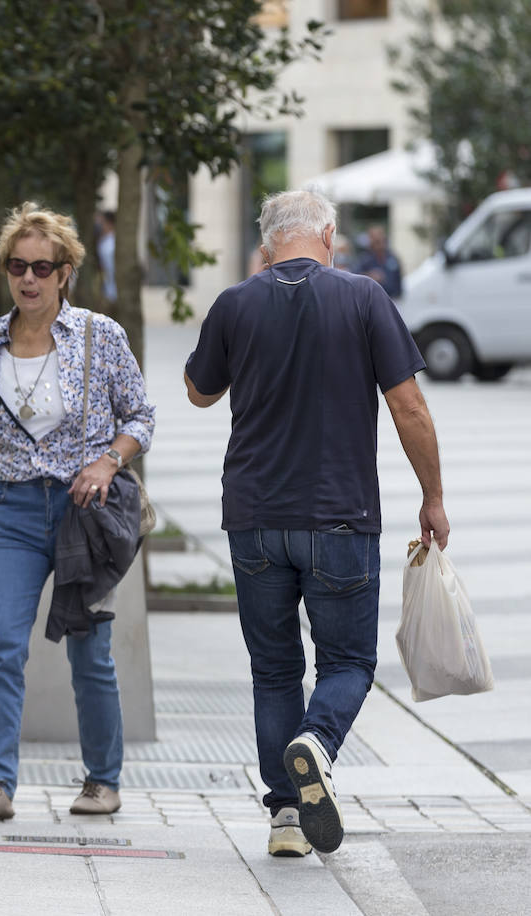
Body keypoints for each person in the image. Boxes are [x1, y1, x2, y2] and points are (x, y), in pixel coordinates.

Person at [184, 189, 447, 858]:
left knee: (274, 671)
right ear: (328, 235)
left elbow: (199, 390)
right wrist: (433, 496)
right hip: (341, 516)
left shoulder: (236, 303)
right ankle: (318, 742)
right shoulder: (363, 298)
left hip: (253, 517)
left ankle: (285, 818)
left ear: (268, 241)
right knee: (350, 661)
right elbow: (408, 407)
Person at [0, 201, 155, 823]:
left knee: (89, 651)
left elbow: (141, 418)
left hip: (84, 513)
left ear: (66, 271)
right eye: (18, 265)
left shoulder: (100, 336)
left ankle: (102, 780)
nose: (29, 278)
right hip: (12, 511)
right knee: (2, 644)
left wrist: (109, 462)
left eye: (43, 266)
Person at [354, 224, 403, 299]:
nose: (379, 240)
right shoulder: (363, 259)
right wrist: (369, 276)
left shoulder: (392, 258)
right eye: (376, 240)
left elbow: (398, 281)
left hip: (393, 300)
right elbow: (355, 278)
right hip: (373, 302)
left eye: (380, 236)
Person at [95, 210, 117, 304]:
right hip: (108, 290)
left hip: (112, 291)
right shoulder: (104, 241)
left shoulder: (111, 244)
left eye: (101, 222)